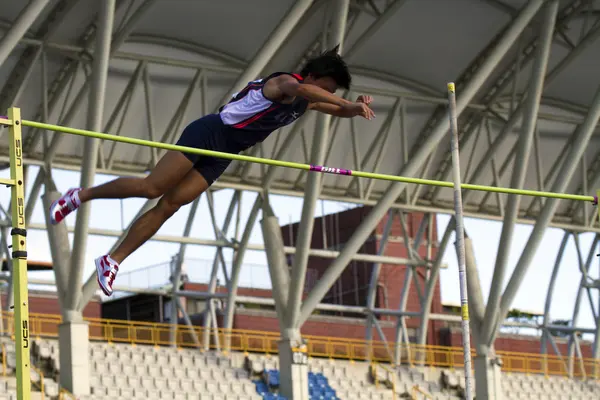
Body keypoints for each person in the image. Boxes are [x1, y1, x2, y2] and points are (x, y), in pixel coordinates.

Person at [48, 46, 375, 297]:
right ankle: (80, 195)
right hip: (210, 132)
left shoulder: (310, 100)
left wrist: (352, 108)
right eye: (329, 88)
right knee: (152, 188)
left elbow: (333, 108)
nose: (330, 96)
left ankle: (113, 260)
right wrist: (348, 105)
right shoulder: (286, 83)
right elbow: (309, 93)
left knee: (170, 205)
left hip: (225, 152)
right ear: (315, 78)